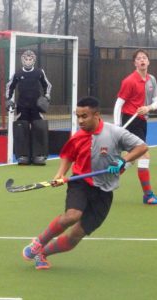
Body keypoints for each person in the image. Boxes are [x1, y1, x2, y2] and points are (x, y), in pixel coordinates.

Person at [22, 96, 148, 270]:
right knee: (72, 216)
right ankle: (39, 242)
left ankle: (43, 253)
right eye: (78, 116)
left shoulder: (115, 132)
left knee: (76, 235)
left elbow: (142, 147)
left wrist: (123, 161)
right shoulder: (78, 137)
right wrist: (59, 174)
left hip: (105, 190)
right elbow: (67, 156)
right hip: (80, 182)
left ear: (96, 115)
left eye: (84, 116)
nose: (80, 120)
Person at [113, 49, 157, 206]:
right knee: (144, 154)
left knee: (134, 157)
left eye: (144, 58)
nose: (142, 60)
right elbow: (119, 104)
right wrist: (117, 127)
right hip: (131, 120)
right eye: (138, 58)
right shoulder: (129, 81)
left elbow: (156, 103)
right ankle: (148, 195)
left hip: (142, 120)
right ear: (135, 63)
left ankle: (110, 177)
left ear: (148, 62)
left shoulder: (152, 80)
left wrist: (148, 108)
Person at [5, 50, 52, 165]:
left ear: (34, 60)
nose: (28, 61)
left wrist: (46, 97)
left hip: (36, 106)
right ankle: (23, 156)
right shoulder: (17, 73)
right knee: (22, 130)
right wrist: (8, 100)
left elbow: (47, 85)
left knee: (38, 129)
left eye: (30, 59)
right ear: (22, 60)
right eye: (26, 59)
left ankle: (39, 155)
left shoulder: (39, 72)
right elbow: (9, 86)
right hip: (22, 106)